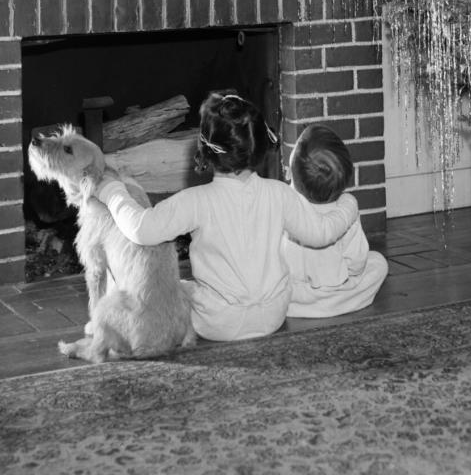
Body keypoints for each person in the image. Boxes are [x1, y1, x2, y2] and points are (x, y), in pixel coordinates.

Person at [92, 91, 358, 341]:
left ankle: (114, 324)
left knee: (174, 289)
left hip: (218, 323)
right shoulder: (280, 193)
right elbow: (322, 234)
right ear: (259, 147)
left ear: (205, 149)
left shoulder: (196, 200)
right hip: (273, 315)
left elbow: (142, 229)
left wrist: (112, 190)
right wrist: (349, 204)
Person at [282, 123, 388, 318]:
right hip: (338, 291)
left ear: (294, 175)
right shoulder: (345, 212)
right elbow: (356, 264)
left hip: (294, 294)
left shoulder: (284, 206)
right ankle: (335, 304)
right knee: (378, 263)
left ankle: (303, 307)